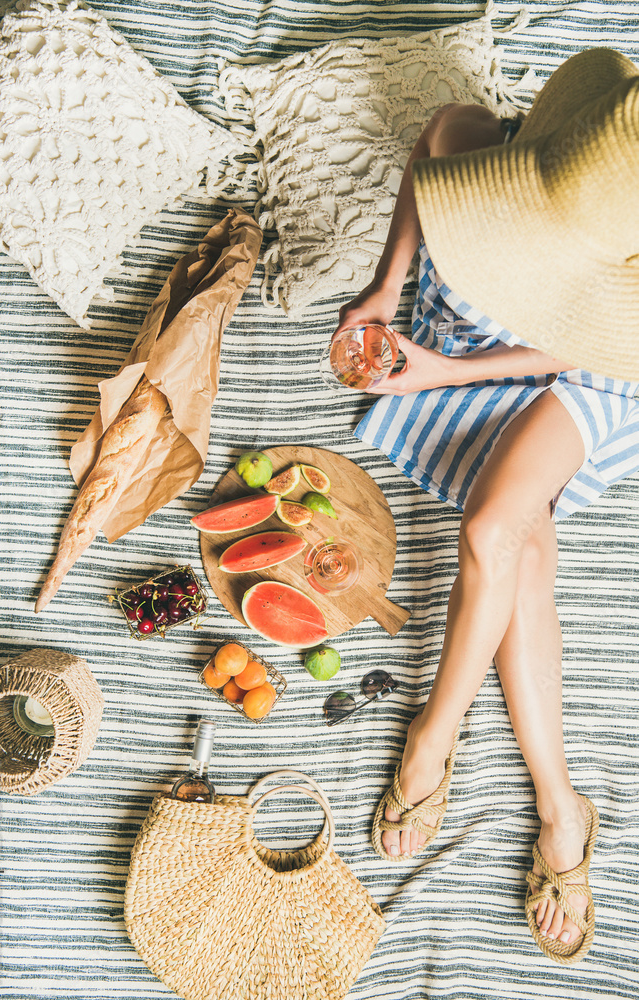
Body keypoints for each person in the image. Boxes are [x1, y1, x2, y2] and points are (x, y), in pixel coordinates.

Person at [335, 47, 639, 965]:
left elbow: (582, 348)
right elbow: (432, 149)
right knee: (526, 549)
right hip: (465, 359)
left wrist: (451, 371)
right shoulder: (485, 146)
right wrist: (387, 291)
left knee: (490, 527)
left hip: (584, 371)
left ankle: (434, 737)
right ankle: (561, 808)